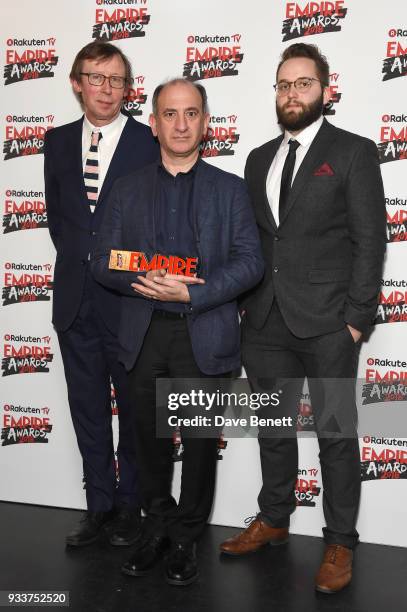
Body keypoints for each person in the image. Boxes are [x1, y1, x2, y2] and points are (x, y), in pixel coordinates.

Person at [219, 43, 386, 594]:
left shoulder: (355, 153)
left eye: (303, 84)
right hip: (264, 320)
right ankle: (274, 518)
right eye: (284, 85)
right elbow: (257, 240)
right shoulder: (258, 158)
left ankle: (340, 540)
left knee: (336, 435)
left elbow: (370, 240)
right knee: (272, 426)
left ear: (324, 89)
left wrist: (357, 319)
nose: (293, 94)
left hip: (329, 324)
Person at [91, 77, 264, 585]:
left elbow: (250, 264)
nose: (181, 123)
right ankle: (157, 530)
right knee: (149, 443)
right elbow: (104, 259)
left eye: (191, 114)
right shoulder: (126, 190)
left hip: (203, 332)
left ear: (205, 123)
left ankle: (187, 537)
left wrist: (192, 292)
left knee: (201, 447)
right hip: (144, 334)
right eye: (170, 114)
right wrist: (141, 277)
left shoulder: (230, 190)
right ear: (154, 123)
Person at [44, 41, 158, 547]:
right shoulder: (55, 142)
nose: (107, 89)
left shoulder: (147, 141)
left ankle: (132, 506)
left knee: (134, 412)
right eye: (97, 78)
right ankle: (99, 507)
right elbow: (60, 222)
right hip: (74, 303)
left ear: (128, 88)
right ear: (77, 83)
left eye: (116, 80)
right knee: (87, 410)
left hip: (130, 303)